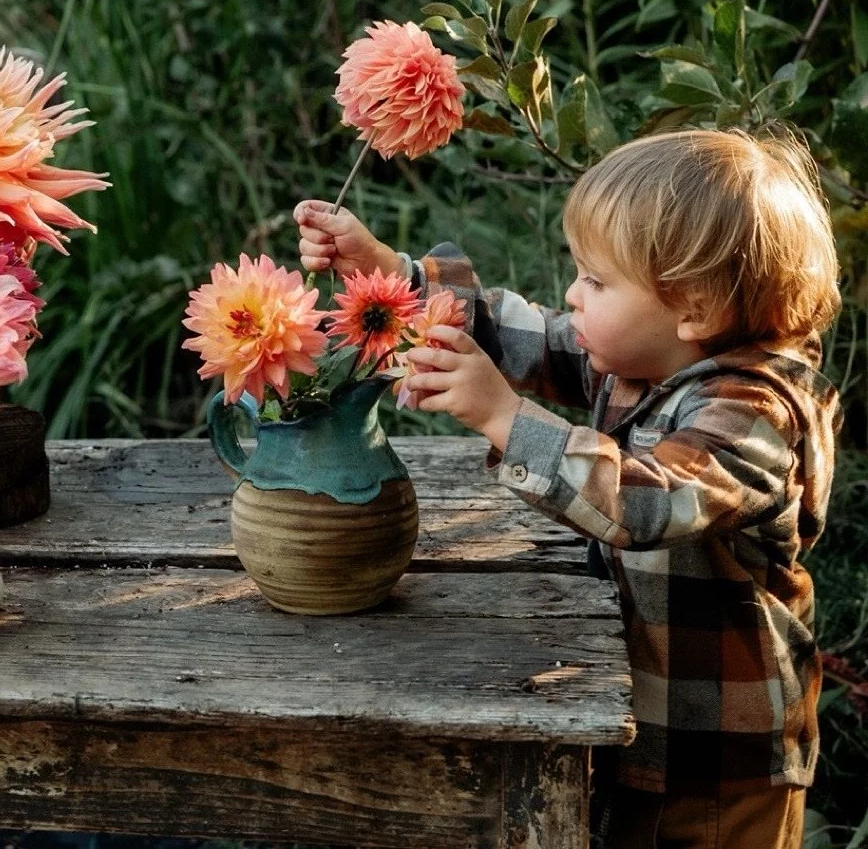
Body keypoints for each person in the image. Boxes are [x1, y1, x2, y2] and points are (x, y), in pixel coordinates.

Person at [295, 127, 842, 849]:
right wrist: (392, 275)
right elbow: (528, 335)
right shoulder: (646, 357)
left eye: (596, 281)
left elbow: (645, 499)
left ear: (695, 308)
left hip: (717, 763)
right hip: (637, 723)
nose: (571, 295)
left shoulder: (758, 416)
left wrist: (503, 415)